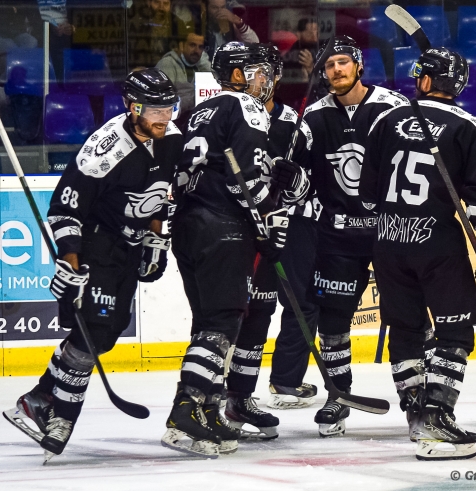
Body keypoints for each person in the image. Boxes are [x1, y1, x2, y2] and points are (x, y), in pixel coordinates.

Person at [3, 68, 183, 463]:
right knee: (92, 333)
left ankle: (37, 398)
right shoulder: (102, 151)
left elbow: (160, 194)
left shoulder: (170, 138)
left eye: (168, 107)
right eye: (153, 109)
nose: (163, 116)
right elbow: (64, 210)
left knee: (109, 333)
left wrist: (155, 236)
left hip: (130, 249)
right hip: (97, 248)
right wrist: (71, 265)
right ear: (132, 106)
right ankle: (60, 416)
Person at [360, 48, 476, 461]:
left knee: (407, 330)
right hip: (437, 246)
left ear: (424, 80)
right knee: (456, 333)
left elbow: (367, 192)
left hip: (388, 243)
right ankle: (436, 415)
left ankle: (415, 412)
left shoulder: (386, 119)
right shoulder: (470, 127)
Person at [163, 41, 302, 458]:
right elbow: (247, 180)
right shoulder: (247, 107)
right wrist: (266, 220)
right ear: (239, 75)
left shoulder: (199, 111)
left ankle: (204, 407)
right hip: (221, 227)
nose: (267, 79)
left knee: (208, 321)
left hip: (188, 226)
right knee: (223, 321)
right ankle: (184, 411)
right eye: (259, 71)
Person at [286, 35, 411, 438]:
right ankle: (338, 395)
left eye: (343, 62)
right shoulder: (314, 117)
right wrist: (290, 176)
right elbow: (298, 180)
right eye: (328, 66)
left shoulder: (393, 108)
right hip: (337, 238)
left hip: (391, 234)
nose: (336, 70)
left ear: (358, 66)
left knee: (408, 318)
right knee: (334, 322)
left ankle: (419, 396)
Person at [222, 46, 314, 438]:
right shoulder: (228, 114)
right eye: (249, 72)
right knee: (227, 318)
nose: (255, 80)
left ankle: (240, 398)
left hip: (272, 235)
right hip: (230, 234)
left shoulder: (293, 125)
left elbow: (307, 187)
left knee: (259, 314)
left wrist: (295, 184)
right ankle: (214, 400)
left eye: (262, 73)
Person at [155, 30, 211, 112]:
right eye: (192, 45)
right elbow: (163, 103)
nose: (196, 51)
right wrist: (195, 99)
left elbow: (217, 85)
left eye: (200, 47)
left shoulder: (199, 66)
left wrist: (205, 64)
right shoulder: (167, 64)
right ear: (181, 46)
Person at [281, 18, 319, 82]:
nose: (314, 37)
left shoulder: (322, 49)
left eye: (317, 33)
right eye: (310, 33)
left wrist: (311, 68)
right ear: (299, 34)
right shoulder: (292, 54)